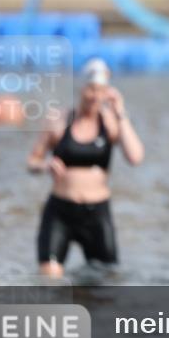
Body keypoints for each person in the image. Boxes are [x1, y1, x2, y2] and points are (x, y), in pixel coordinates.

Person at [27, 58, 144, 278]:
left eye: (100, 91)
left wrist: (121, 112)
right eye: (90, 89)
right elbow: (32, 161)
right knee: (49, 277)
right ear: (81, 89)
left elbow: (135, 157)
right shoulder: (59, 120)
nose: (94, 96)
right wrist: (45, 165)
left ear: (107, 93)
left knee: (107, 279)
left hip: (96, 213)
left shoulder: (110, 123)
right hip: (60, 211)